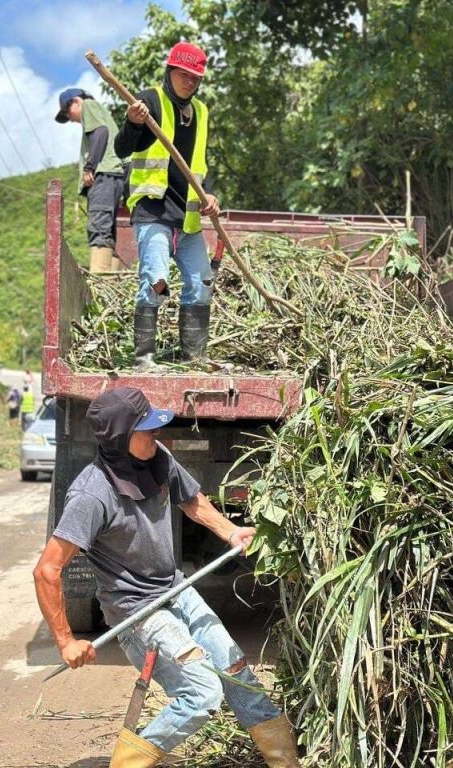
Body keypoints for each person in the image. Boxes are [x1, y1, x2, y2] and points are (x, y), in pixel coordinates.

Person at [32, 387, 299, 768]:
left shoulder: (158, 457)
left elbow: (191, 500)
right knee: (201, 693)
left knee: (237, 671)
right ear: (121, 437)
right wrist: (65, 641)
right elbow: (47, 570)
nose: (157, 434)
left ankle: (286, 762)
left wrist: (230, 531)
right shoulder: (91, 495)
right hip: (138, 612)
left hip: (177, 591)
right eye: (147, 429)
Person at [114, 42, 220, 368]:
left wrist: (209, 195)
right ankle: (144, 360)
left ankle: (194, 357)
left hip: (187, 217)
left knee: (202, 283)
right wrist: (133, 123)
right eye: (183, 75)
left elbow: (199, 164)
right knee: (156, 281)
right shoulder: (149, 101)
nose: (190, 82)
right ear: (169, 71)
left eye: (195, 77)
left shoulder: (201, 112)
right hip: (154, 211)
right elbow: (122, 149)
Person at [56, 87, 127, 273]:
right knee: (107, 231)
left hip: (103, 176)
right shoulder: (99, 111)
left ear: (76, 101)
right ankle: (109, 277)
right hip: (113, 177)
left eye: (67, 111)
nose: (70, 118)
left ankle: (99, 277)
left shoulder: (88, 105)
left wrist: (90, 166)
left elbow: (100, 132)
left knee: (99, 227)